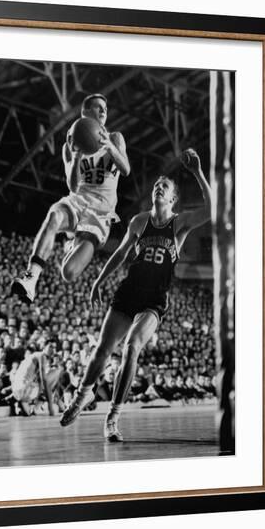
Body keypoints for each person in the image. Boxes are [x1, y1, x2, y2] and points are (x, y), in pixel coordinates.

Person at [60, 148, 211, 441]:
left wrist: (197, 173)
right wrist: (98, 281)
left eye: (164, 187)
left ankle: (113, 417)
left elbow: (212, 209)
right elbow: (119, 254)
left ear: (172, 199)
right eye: (156, 184)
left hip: (155, 299)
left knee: (132, 347)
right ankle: (81, 397)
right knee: (102, 350)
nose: (158, 186)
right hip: (128, 291)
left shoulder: (179, 224)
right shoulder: (139, 221)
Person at [11, 93, 130, 303]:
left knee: (69, 273)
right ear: (85, 112)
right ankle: (31, 278)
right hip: (78, 200)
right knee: (54, 216)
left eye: (105, 108)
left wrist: (110, 148)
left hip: (100, 212)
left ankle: (71, 244)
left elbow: (126, 169)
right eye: (97, 107)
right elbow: (73, 186)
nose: (103, 111)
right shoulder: (70, 144)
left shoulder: (115, 138)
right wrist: (76, 159)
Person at [11, 344, 61, 416]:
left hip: (18, 390)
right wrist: (50, 406)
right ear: (43, 348)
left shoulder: (29, 360)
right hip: (22, 389)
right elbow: (43, 380)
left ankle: (18, 402)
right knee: (56, 371)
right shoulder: (41, 356)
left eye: (54, 348)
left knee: (27, 413)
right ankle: (35, 401)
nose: (52, 349)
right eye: (50, 347)